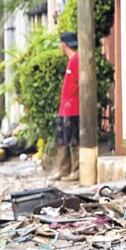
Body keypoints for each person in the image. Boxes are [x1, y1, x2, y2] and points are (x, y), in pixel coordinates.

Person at [50, 31, 80, 182]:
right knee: (62, 140)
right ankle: (63, 170)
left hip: (73, 108)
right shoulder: (72, 60)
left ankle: (76, 170)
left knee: (73, 140)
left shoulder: (76, 60)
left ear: (64, 45)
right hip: (66, 108)